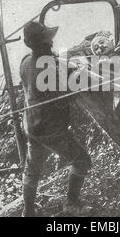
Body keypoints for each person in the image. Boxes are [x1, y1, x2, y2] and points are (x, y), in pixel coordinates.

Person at [20, 21, 92, 217]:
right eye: (48, 40)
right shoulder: (47, 70)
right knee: (82, 161)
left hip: (32, 126)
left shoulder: (26, 61)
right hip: (50, 130)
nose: (51, 43)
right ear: (43, 44)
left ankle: (28, 211)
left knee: (32, 169)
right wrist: (80, 78)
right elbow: (65, 99)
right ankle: (72, 204)